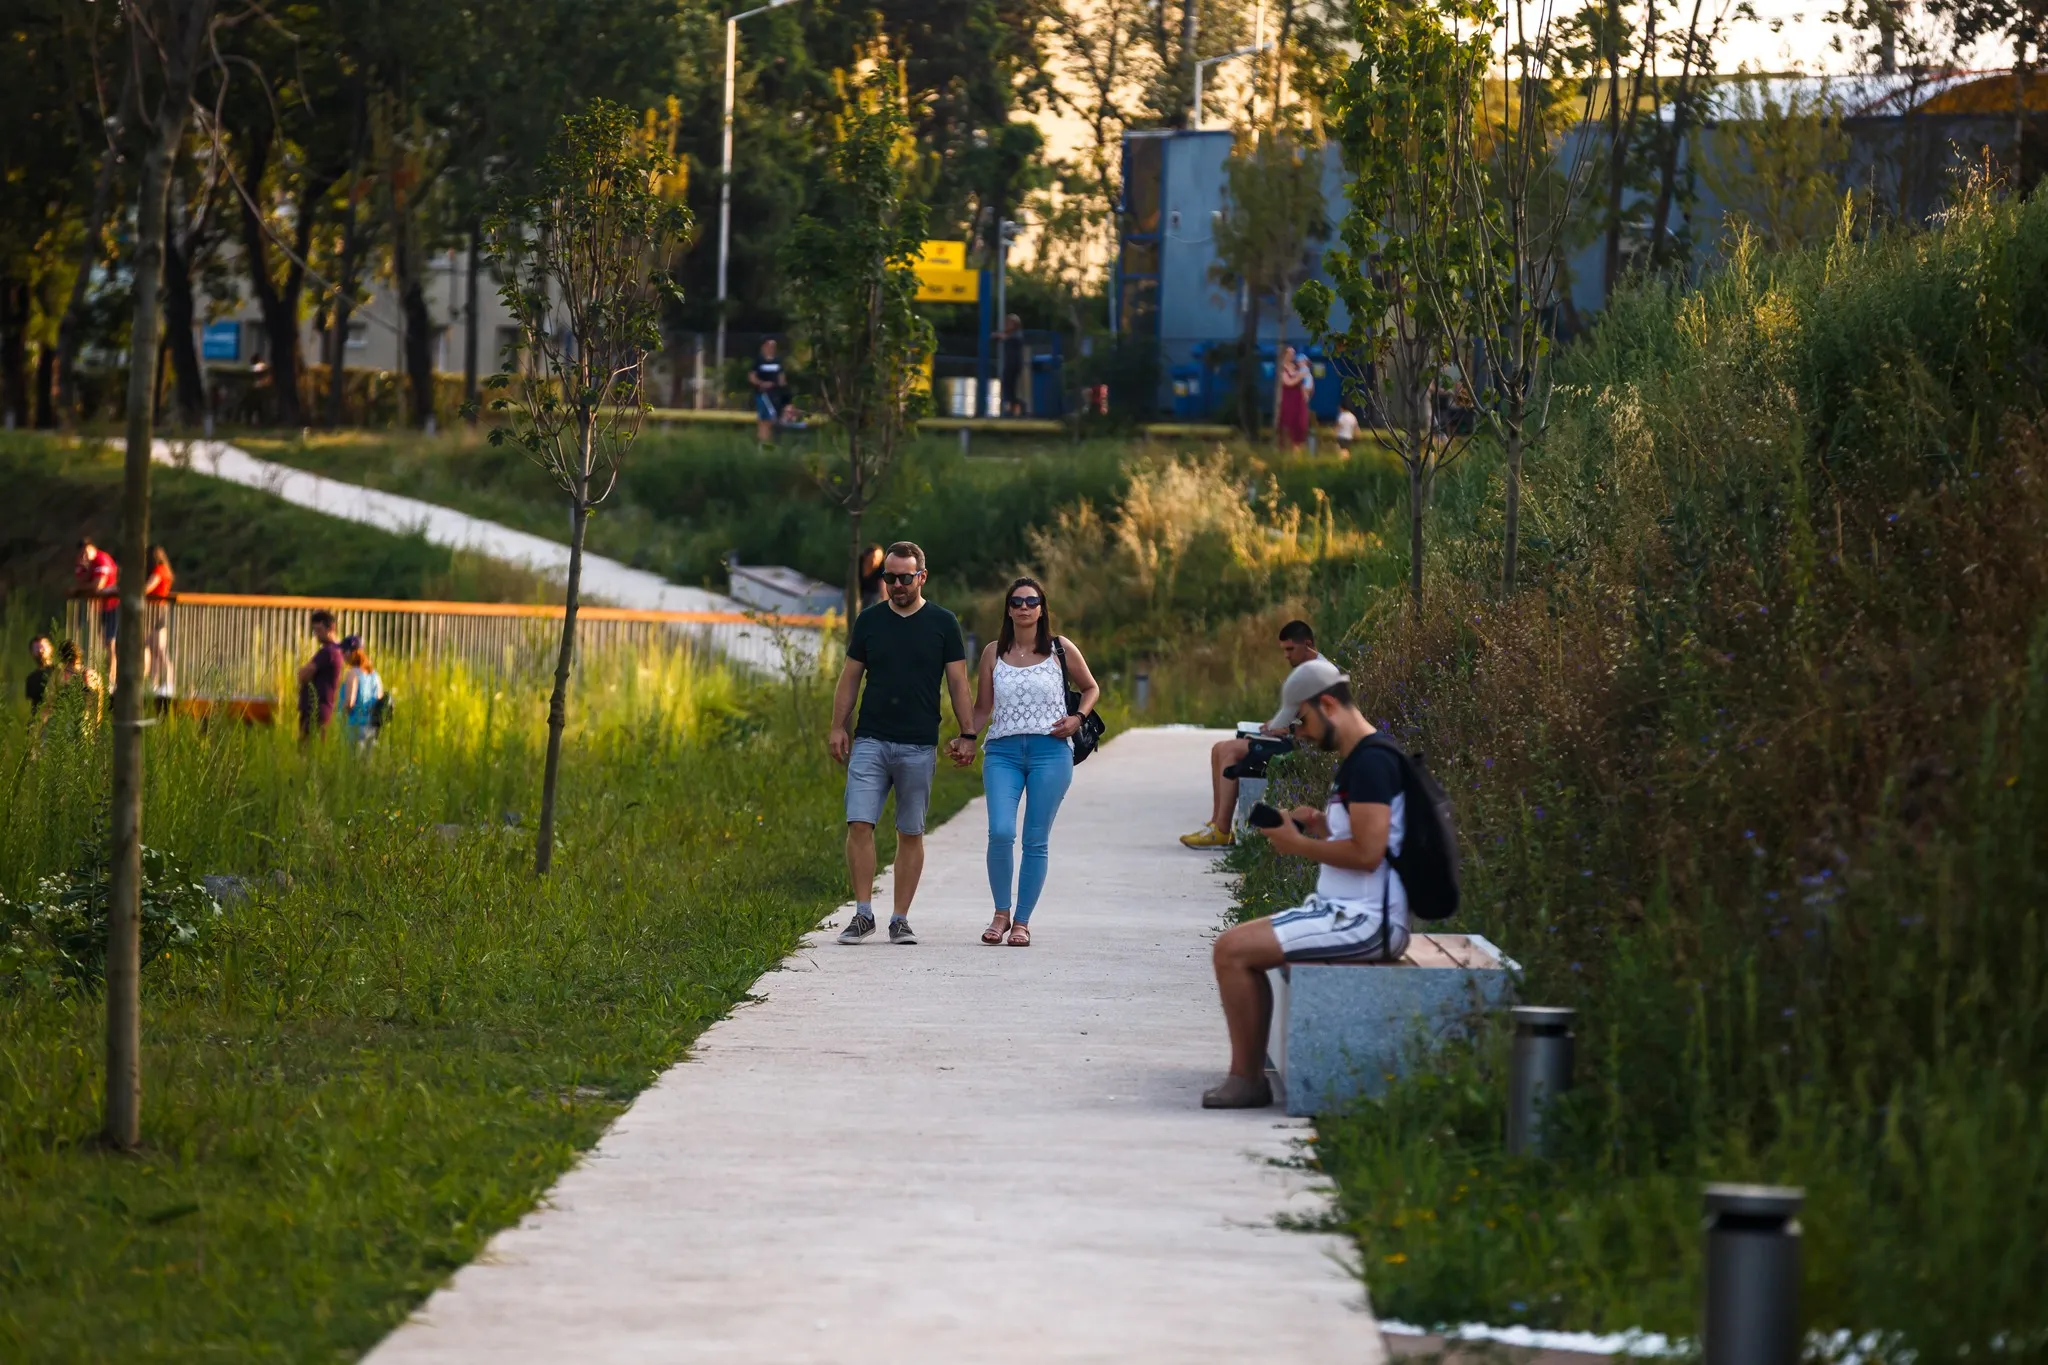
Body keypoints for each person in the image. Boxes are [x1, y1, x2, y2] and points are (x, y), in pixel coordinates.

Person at [1203, 659, 1410, 1109]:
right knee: (1233, 946)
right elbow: (1370, 838)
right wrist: (1319, 824)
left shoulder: (1372, 764)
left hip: (1365, 921)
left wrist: (1298, 845)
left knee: (1232, 951)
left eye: (1302, 720)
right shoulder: (1361, 759)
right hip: (1342, 910)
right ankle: (1248, 1076)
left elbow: (1368, 853)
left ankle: (1247, 1080)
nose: (1301, 733)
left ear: (1328, 704)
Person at [828, 541, 977, 945]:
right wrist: (838, 726)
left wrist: (968, 734)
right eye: (890, 577)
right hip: (871, 740)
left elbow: (958, 683)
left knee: (910, 831)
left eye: (905, 578)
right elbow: (850, 677)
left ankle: (900, 918)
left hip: (918, 744)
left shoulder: (943, 623)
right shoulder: (870, 621)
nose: (897, 585)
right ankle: (863, 914)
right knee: (859, 822)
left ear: (921, 577)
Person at [966, 576, 1100, 947]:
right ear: (1008, 610)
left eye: (1031, 601)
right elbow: (983, 707)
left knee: (1035, 839)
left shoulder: (1060, 648)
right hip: (1003, 753)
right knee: (1000, 832)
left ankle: (1022, 921)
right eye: (1016, 602)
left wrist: (1078, 718)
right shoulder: (993, 652)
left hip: (1050, 753)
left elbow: (1091, 687)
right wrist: (966, 736)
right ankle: (1000, 914)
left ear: (1042, 609)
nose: (1024, 608)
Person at [1181, 619, 1321, 848]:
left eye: (1290, 649)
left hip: (1302, 747)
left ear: (1307, 644)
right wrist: (1276, 724)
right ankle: (1216, 823)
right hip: (1291, 737)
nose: (1286, 656)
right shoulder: (1307, 671)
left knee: (1230, 751)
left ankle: (1222, 829)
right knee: (1218, 748)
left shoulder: (1321, 674)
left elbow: (1322, 725)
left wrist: (1289, 729)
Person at [296, 610, 346, 739]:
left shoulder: (328, 652)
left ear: (331, 628)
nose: (316, 635)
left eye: (319, 630)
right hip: (323, 709)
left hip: (315, 710)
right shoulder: (338, 650)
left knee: (307, 747)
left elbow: (303, 675)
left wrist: (303, 672)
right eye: (314, 631)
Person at [49, 639, 105, 729]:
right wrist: (97, 725)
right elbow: (99, 703)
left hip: (65, 723)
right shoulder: (92, 674)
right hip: (86, 723)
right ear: (79, 655)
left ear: (62, 657)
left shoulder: (59, 674)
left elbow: (50, 701)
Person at [142, 545, 175, 698]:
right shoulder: (164, 569)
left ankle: (168, 683)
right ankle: (154, 684)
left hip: (157, 611)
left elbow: (148, 588)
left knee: (160, 650)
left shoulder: (159, 570)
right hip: (155, 611)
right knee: (155, 649)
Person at [74, 536, 118, 651]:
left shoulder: (102, 559)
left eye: (86, 552)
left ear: (93, 548)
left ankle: (112, 664)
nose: (84, 556)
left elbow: (98, 585)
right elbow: (79, 582)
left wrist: (82, 588)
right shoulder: (82, 562)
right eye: (81, 553)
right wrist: (86, 569)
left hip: (112, 606)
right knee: (97, 641)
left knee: (110, 642)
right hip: (96, 607)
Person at [338, 639, 384, 748]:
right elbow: (380, 700)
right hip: (372, 728)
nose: (342, 655)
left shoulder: (352, 674)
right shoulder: (375, 676)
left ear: (351, 653)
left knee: (352, 758)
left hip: (354, 727)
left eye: (343, 651)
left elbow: (350, 702)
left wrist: (340, 717)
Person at [750, 338, 787, 443]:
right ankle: (763, 441)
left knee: (775, 418)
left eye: (773, 347)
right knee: (764, 418)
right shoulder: (758, 361)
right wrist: (761, 383)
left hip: (775, 394)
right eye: (769, 346)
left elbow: (781, 377)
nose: (771, 349)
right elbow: (752, 376)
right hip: (763, 394)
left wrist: (783, 388)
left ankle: (774, 441)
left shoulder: (778, 361)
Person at [1276, 346, 1312, 450]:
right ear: (1284, 354)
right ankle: (1287, 447)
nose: (1293, 355)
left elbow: (1306, 380)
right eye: (1290, 353)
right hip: (1288, 400)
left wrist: (1307, 391)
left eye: (1293, 353)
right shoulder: (1282, 368)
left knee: (1300, 424)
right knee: (1288, 423)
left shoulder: (1296, 367)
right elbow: (1288, 382)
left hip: (1299, 400)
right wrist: (1299, 377)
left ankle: (1299, 447)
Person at [24, 634, 55, 712]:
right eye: (36, 648)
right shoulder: (31, 678)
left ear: (51, 648)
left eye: (42, 647)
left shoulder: (59, 671)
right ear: (32, 653)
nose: (40, 651)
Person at [857, 544, 887, 611]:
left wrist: (884, 599)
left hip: (874, 592)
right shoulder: (859, 562)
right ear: (866, 557)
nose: (876, 560)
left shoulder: (881, 566)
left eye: (879, 558)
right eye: (873, 557)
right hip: (860, 591)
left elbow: (882, 583)